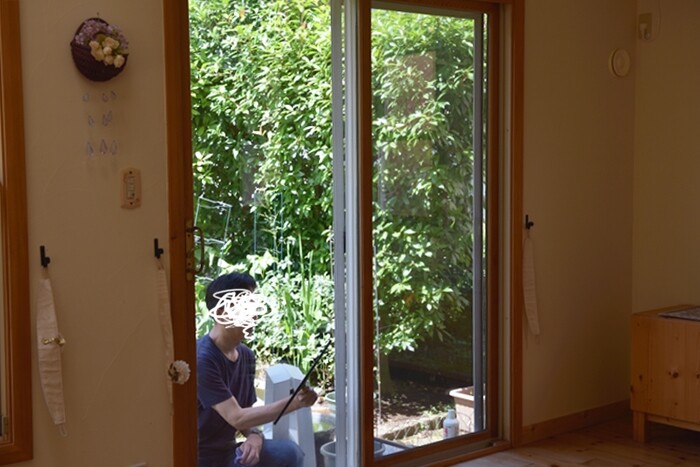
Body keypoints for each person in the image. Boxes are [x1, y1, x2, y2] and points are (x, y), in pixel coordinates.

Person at [197, 272, 318, 467]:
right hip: (200, 459)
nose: (254, 315)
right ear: (220, 312)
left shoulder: (246, 355)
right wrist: (296, 402)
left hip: (229, 451)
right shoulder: (202, 359)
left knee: (289, 453)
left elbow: (245, 415)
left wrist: (254, 436)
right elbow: (237, 417)